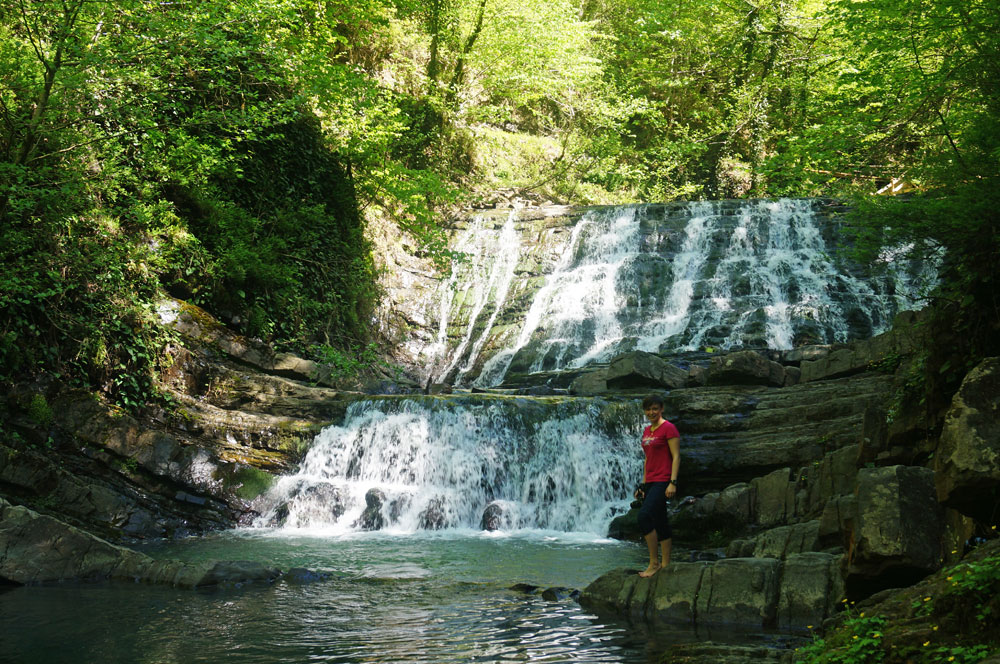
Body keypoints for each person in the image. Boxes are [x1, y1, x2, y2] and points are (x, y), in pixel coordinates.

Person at [634, 394, 680, 578]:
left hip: (664, 479)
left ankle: (654, 562)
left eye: (655, 408)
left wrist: (673, 482)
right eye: (648, 409)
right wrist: (643, 485)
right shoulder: (647, 431)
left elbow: (676, 456)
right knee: (660, 520)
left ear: (661, 409)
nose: (651, 412)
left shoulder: (669, 428)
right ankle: (666, 564)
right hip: (651, 480)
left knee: (644, 516)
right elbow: (647, 460)